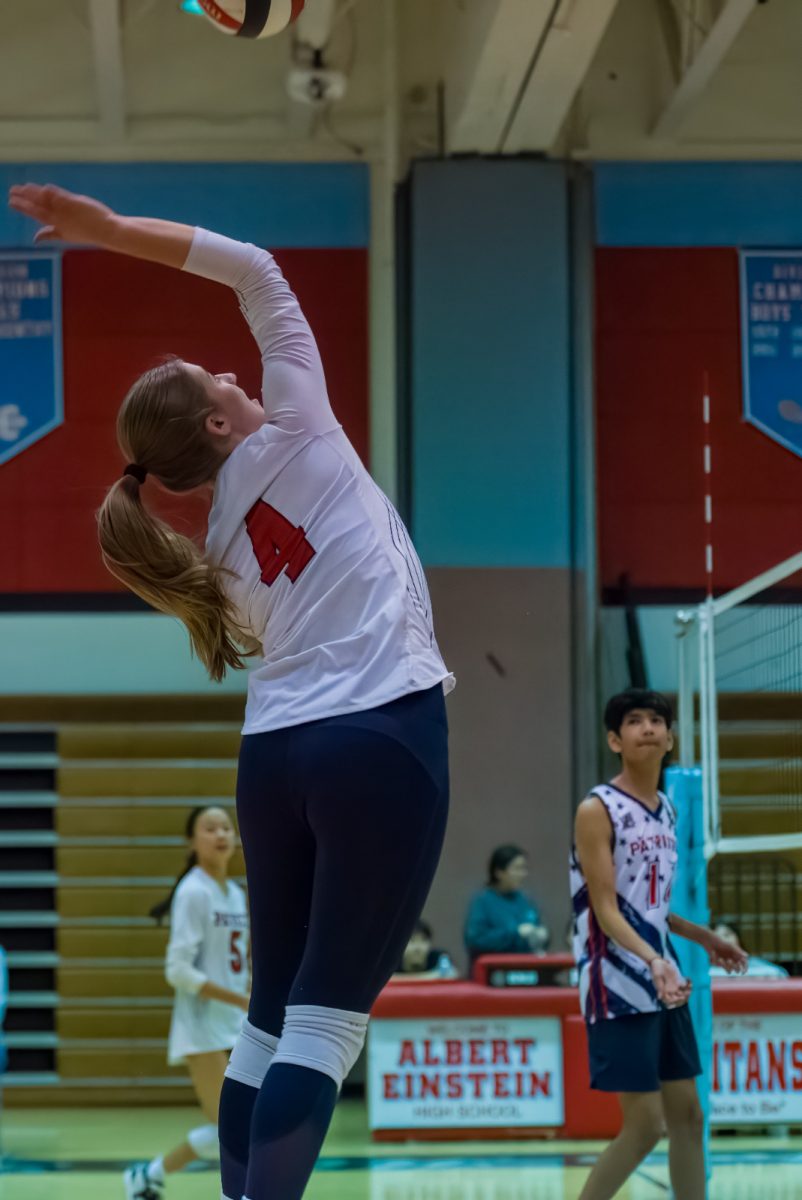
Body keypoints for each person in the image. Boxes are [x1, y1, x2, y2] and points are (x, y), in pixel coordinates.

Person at [9, 182, 453, 1200]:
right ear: (221, 417)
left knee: (269, 1016)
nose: (232, 370)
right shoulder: (297, 426)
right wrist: (113, 233)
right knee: (329, 1017)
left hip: (274, 760)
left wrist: (106, 235)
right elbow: (254, 267)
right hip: (379, 733)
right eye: (216, 374)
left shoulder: (209, 555)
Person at [570, 688, 748, 1200]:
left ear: (670, 738)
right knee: (646, 1125)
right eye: (634, 721)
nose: (647, 727)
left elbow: (652, 909)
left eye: (656, 721)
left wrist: (703, 937)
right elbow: (606, 908)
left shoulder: (667, 811)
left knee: (688, 1117)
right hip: (618, 981)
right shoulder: (597, 808)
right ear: (614, 739)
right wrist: (650, 959)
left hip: (663, 977)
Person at [124, 806, 249, 1200]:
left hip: (237, 1023)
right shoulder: (193, 891)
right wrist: (238, 998)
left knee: (233, 1127)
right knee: (234, 1130)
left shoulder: (234, 893)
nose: (221, 834)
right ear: (192, 842)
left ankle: (147, 1175)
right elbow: (177, 970)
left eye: (226, 827)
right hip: (202, 1028)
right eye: (210, 828)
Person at [464, 844, 549, 964]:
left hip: (527, 969)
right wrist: (516, 933)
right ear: (499, 872)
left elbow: (538, 933)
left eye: (524, 868)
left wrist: (542, 936)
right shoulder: (482, 902)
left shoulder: (526, 901)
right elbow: (476, 940)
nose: (523, 874)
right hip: (494, 972)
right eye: (517, 869)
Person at [709, 921, 788, 979]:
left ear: (738, 939)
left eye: (726, 935)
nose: (723, 940)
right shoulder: (704, 970)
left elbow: (781, 975)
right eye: (717, 938)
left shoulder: (758, 965)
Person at [391, 919, 458, 981]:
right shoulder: (392, 962)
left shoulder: (438, 958)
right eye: (412, 941)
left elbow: (452, 974)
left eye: (423, 941)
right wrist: (435, 975)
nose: (417, 948)